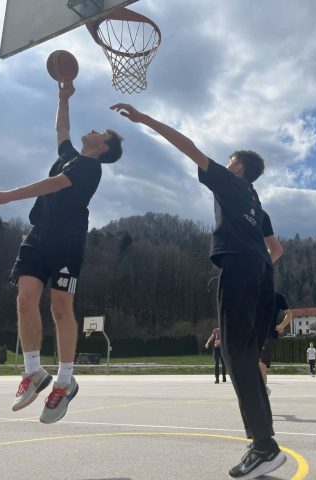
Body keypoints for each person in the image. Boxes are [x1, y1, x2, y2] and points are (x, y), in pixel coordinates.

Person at [111, 103, 286, 479]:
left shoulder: (229, 182)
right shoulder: (257, 204)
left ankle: (264, 446)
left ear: (236, 168)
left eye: (230, 160)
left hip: (240, 267)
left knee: (235, 355)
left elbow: (187, 146)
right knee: (247, 357)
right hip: (262, 273)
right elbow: (277, 250)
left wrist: (144, 119)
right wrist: (259, 264)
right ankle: (263, 443)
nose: (226, 163)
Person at [0, 80, 123, 424]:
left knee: (60, 307)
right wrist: (63, 98)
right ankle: (33, 372)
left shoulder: (89, 169)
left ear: (103, 147)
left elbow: (53, 184)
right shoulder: (69, 155)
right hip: (38, 236)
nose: (93, 130)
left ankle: (65, 380)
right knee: (24, 300)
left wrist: (6, 196)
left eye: (100, 132)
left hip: (67, 242)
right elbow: (62, 128)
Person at [259, 292, 293, 395]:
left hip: (269, 334)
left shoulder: (277, 297)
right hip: (253, 335)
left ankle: (263, 390)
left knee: (261, 362)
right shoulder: (252, 294)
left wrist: (282, 325)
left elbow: (289, 314)